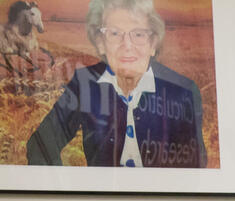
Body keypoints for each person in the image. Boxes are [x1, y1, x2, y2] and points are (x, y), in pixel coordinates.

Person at [26, 0, 205, 167]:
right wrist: (69, 191)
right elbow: (40, 145)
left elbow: (195, 165)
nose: (127, 45)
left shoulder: (183, 91)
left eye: (139, 34)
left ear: (153, 45)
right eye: (114, 33)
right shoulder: (84, 83)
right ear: (101, 43)